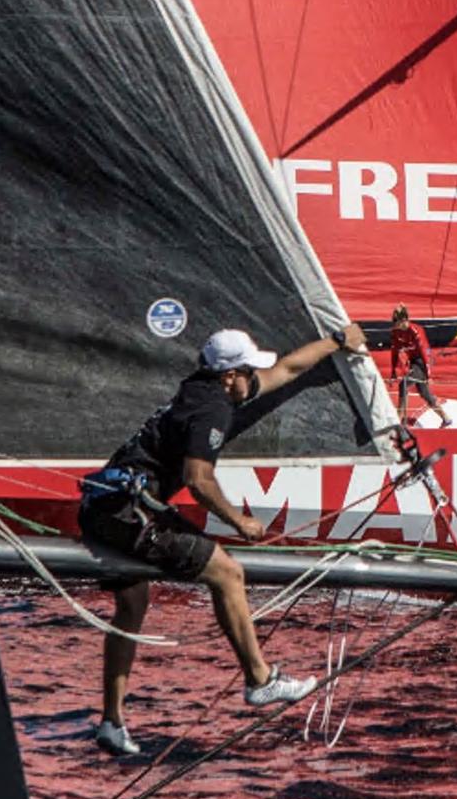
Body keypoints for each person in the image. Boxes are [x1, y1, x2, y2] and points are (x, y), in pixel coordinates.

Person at [80, 323, 368, 755]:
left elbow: (287, 369)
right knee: (228, 574)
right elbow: (198, 480)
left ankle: (112, 722)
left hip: (100, 507)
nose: (256, 378)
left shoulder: (206, 385)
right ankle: (260, 680)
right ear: (229, 376)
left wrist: (338, 342)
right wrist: (239, 522)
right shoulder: (212, 407)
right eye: (249, 371)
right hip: (128, 512)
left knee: (133, 605)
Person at [388, 304, 445, 426]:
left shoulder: (415, 330)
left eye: (396, 322)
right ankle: (446, 418)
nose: (394, 325)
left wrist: (429, 375)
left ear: (404, 320)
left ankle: (400, 418)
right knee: (424, 394)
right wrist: (393, 371)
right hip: (413, 362)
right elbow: (395, 352)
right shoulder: (396, 332)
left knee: (404, 383)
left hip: (423, 362)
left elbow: (425, 352)